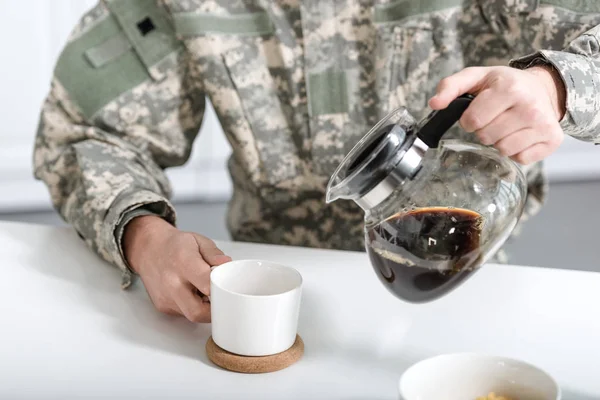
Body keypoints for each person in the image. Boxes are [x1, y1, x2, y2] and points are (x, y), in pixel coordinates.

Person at [33, 0, 600, 323]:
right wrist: (145, 237)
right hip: (267, 280)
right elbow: (83, 133)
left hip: (465, 272)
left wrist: (555, 85)